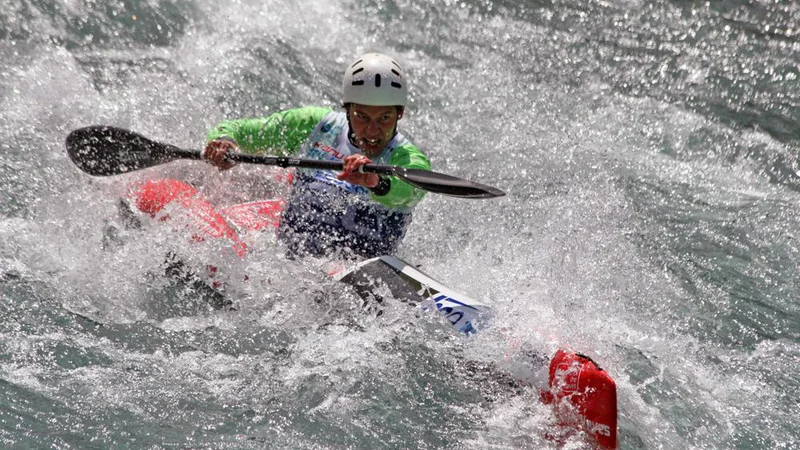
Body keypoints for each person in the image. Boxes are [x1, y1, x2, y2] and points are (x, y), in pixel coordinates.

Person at [203, 53, 431, 260]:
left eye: (384, 118)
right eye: (362, 116)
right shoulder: (317, 125)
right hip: (291, 257)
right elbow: (244, 131)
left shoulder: (408, 158)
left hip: (363, 267)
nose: (372, 131)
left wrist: (375, 182)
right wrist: (225, 141)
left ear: (399, 113)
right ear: (347, 109)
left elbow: (409, 191)